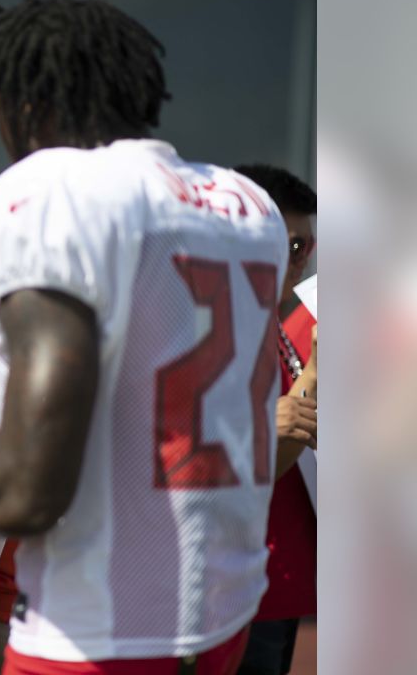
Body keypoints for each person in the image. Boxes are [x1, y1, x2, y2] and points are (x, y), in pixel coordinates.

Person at [0, 0, 288, 675]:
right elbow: (154, 390)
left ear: (28, 103)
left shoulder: (55, 190)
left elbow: (30, 494)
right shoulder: (245, 204)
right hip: (223, 611)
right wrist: (3, 426)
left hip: (96, 632)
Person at [232, 164, 319, 675]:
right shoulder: (225, 329)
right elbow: (254, 463)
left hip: (278, 581)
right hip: (246, 585)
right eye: (288, 246)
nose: (299, 263)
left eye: (305, 248)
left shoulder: (270, 321)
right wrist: (316, 373)